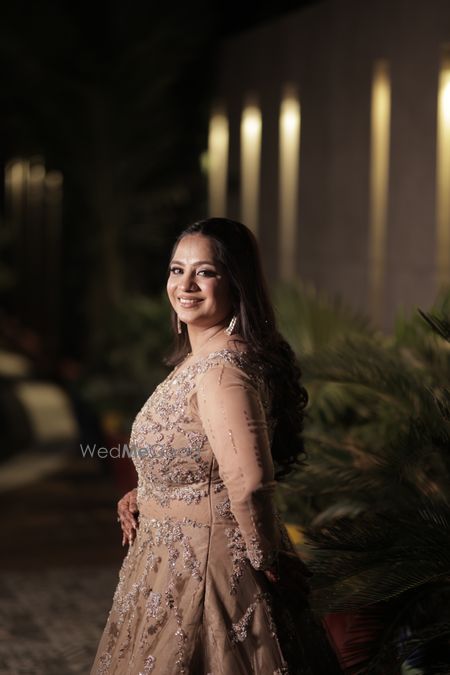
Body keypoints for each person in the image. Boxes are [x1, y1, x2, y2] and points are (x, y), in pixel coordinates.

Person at [90, 218, 342, 674]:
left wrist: (266, 561)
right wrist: (148, 493)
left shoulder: (221, 371)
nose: (185, 285)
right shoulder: (201, 359)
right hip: (173, 563)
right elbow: (204, 462)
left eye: (204, 272)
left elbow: (249, 481)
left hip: (212, 572)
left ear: (235, 282)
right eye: (177, 270)